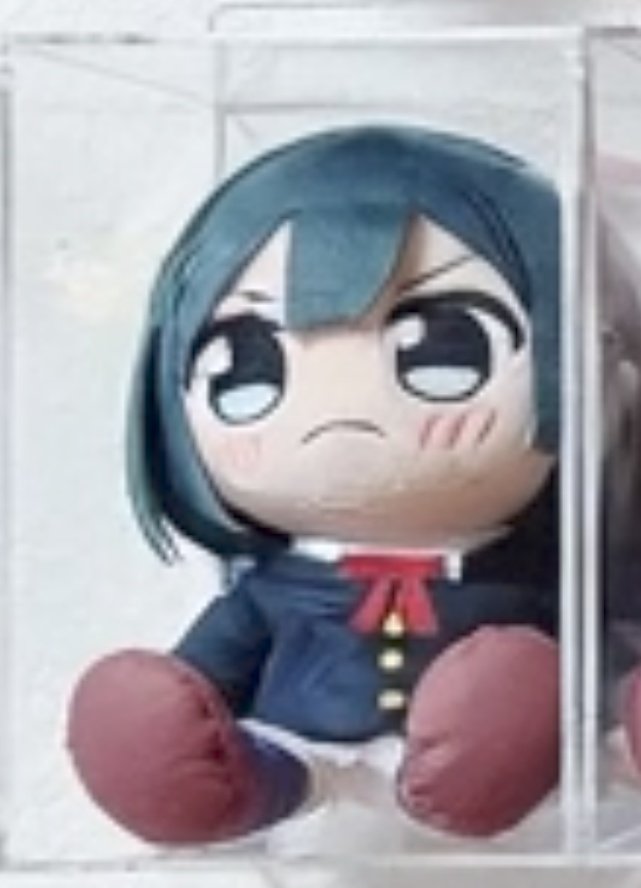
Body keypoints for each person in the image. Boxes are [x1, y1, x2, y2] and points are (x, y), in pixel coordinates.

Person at [68, 125, 563, 845]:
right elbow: (209, 671)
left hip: (512, 789)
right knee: (192, 737)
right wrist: (170, 720)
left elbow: (601, 651)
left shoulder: (533, 580)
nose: (342, 412)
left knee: (520, 684)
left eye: (446, 351)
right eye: (249, 366)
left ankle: (480, 772)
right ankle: (216, 792)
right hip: (301, 758)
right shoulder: (271, 590)